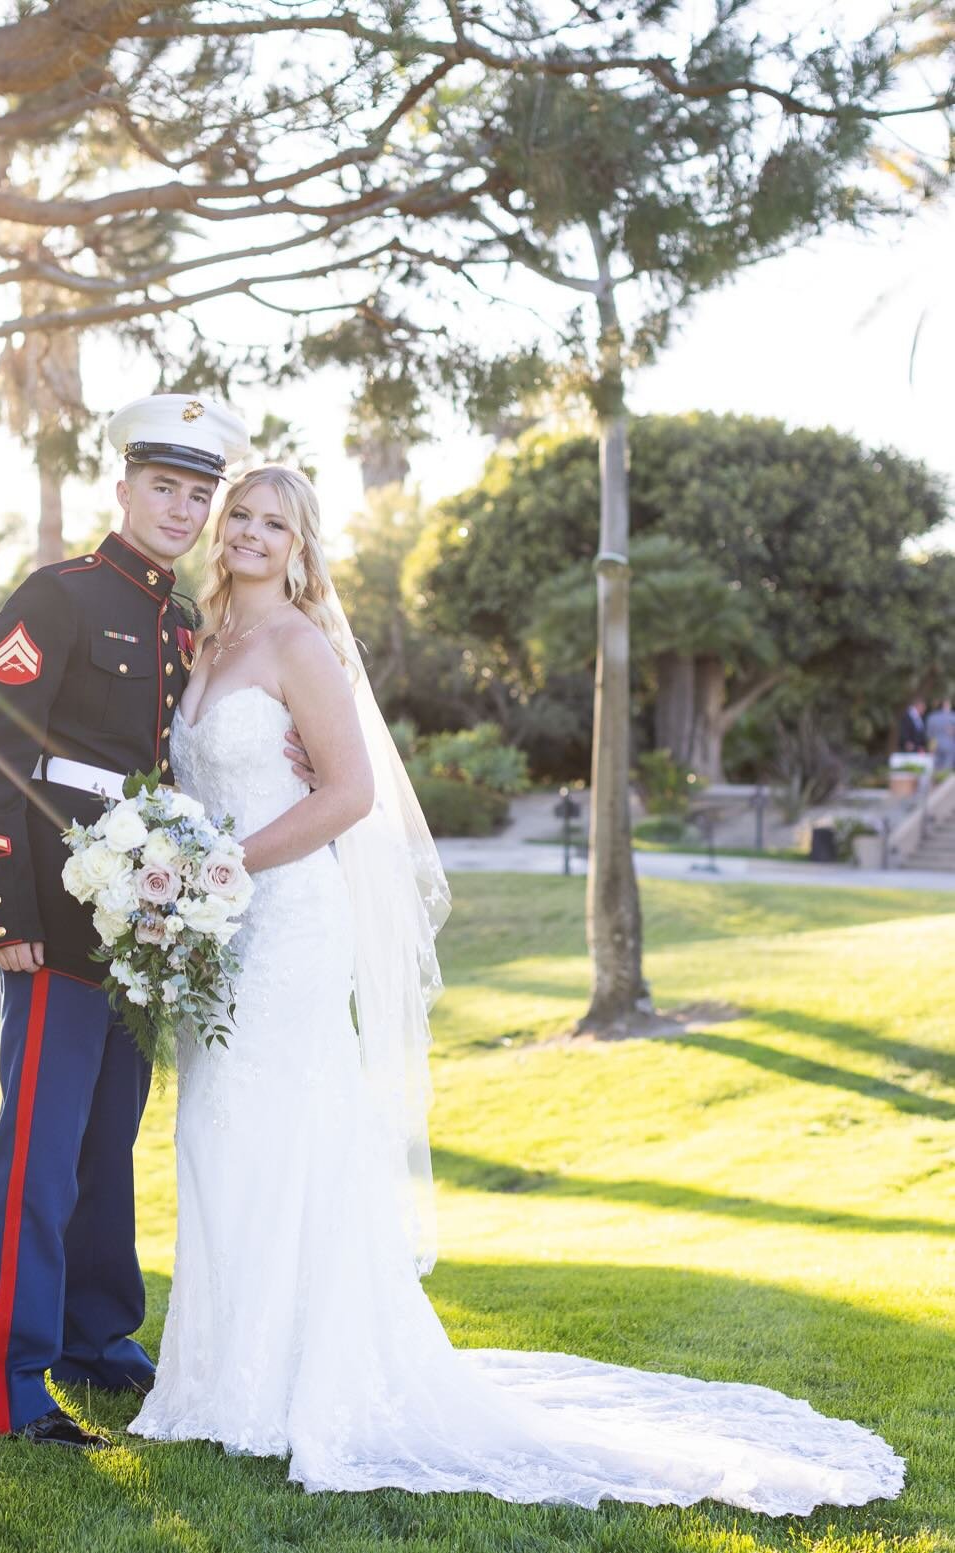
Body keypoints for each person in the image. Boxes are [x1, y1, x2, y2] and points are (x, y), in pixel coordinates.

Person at [129, 464, 904, 1515]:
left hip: (285, 921)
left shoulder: (300, 645)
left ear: (301, 546)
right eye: (241, 518)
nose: (251, 534)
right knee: (216, 1134)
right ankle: (217, 1379)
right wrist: (178, 865)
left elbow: (350, 793)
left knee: (286, 1135)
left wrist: (225, 864)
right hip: (218, 927)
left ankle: (288, 1387)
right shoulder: (205, 639)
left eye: (276, 522)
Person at [0, 394, 313, 1449]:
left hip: (145, 928)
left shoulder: (186, 623)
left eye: (200, 495)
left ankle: (96, 1339)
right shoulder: (57, 596)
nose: (182, 510)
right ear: (123, 487)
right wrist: (3, 908)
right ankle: (8, 1385)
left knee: (106, 1146)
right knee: (37, 1153)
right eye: (165, 487)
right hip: (57, 915)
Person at [927, 696, 955, 774]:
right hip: (949, 745)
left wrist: (931, 747)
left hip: (935, 745)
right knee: (947, 768)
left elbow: (929, 734)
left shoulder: (932, 717)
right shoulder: (952, 717)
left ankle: (936, 780)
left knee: (936, 767)